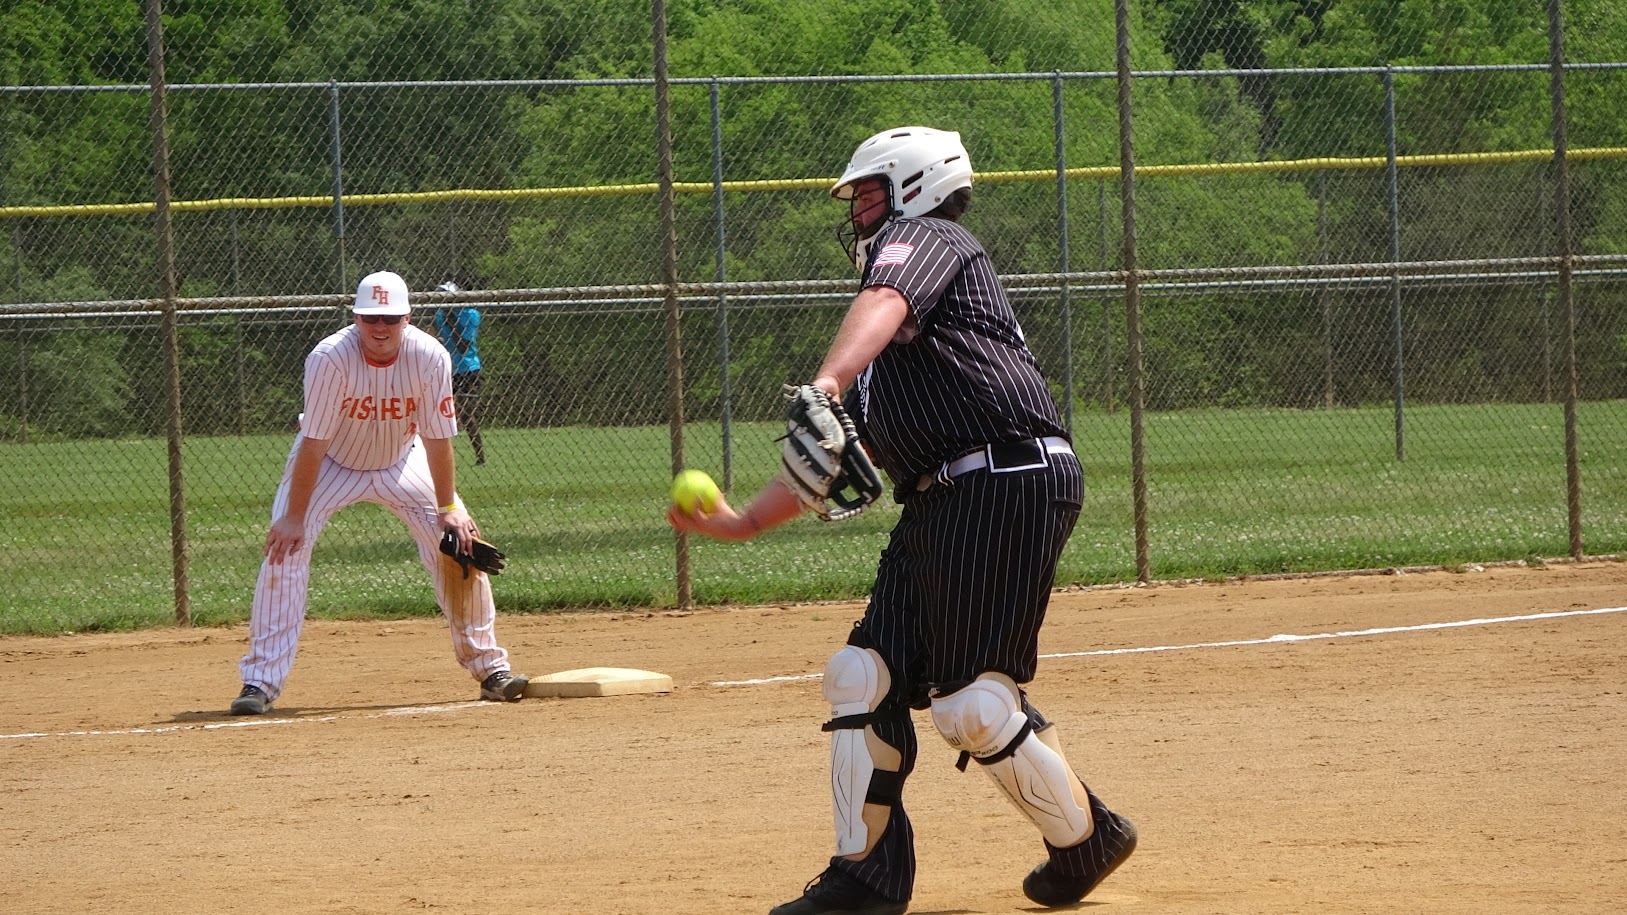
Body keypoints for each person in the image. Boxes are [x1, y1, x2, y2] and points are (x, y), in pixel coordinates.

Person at [669, 127, 1136, 915]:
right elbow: (834, 453)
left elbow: (882, 301)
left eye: (868, 192)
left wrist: (826, 379)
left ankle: (1086, 839)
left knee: (971, 705)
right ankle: (866, 877)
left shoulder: (930, 238)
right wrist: (743, 522)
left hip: (1006, 476)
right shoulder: (893, 357)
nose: (856, 210)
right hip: (942, 494)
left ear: (914, 189)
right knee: (861, 675)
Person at [230, 270, 528, 715]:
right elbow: (313, 443)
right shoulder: (329, 358)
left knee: (460, 546)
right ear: (356, 318)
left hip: (401, 461)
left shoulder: (430, 356)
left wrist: (448, 507)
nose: (380, 327)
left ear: (407, 317)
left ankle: (491, 671)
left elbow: (438, 438)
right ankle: (260, 682)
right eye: (371, 317)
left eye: (390, 318)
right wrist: (293, 517)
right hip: (330, 462)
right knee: (284, 552)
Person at [432, 281, 487, 465]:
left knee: (466, 414)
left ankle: (480, 456)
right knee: (441, 413)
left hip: (468, 368)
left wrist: (451, 322)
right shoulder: (440, 316)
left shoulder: (470, 315)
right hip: (449, 369)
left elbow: (464, 346)